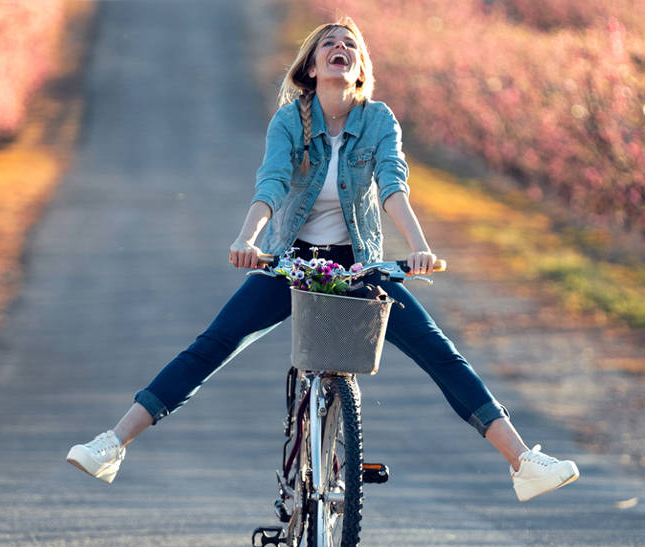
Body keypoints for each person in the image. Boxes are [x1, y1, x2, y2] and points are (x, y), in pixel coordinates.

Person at [66, 17, 578, 501]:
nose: (341, 48)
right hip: (292, 263)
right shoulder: (290, 121)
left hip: (358, 265)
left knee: (440, 352)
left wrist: (418, 247)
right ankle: (113, 444)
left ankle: (523, 464)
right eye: (330, 43)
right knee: (213, 345)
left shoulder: (378, 120)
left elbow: (393, 185)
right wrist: (248, 240)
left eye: (351, 45)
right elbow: (270, 183)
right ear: (312, 66)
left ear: (360, 68)